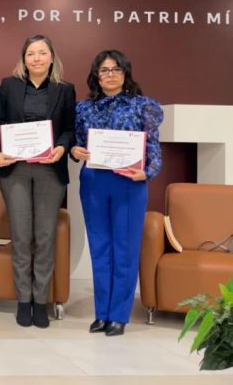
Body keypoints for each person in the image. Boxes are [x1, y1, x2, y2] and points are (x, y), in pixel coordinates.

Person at [70, 50, 162, 337]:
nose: (110, 74)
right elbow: (77, 143)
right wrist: (75, 150)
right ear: (96, 76)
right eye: (104, 70)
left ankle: (119, 315)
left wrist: (147, 172)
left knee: (125, 247)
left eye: (115, 69)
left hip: (128, 182)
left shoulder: (144, 106)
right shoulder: (84, 109)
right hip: (94, 180)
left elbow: (154, 147)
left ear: (125, 73)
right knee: (100, 247)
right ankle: (102, 313)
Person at [0, 35, 76, 328]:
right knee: (22, 236)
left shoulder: (65, 90)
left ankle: (41, 301)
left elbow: (68, 128)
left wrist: (62, 148)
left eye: (42, 53)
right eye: (30, 53)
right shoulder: (9, 86)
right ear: (23, 59)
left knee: (46, 237)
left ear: (51, 57)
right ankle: (23, 300)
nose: (36, 58)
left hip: (50, 171)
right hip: (15, 171)